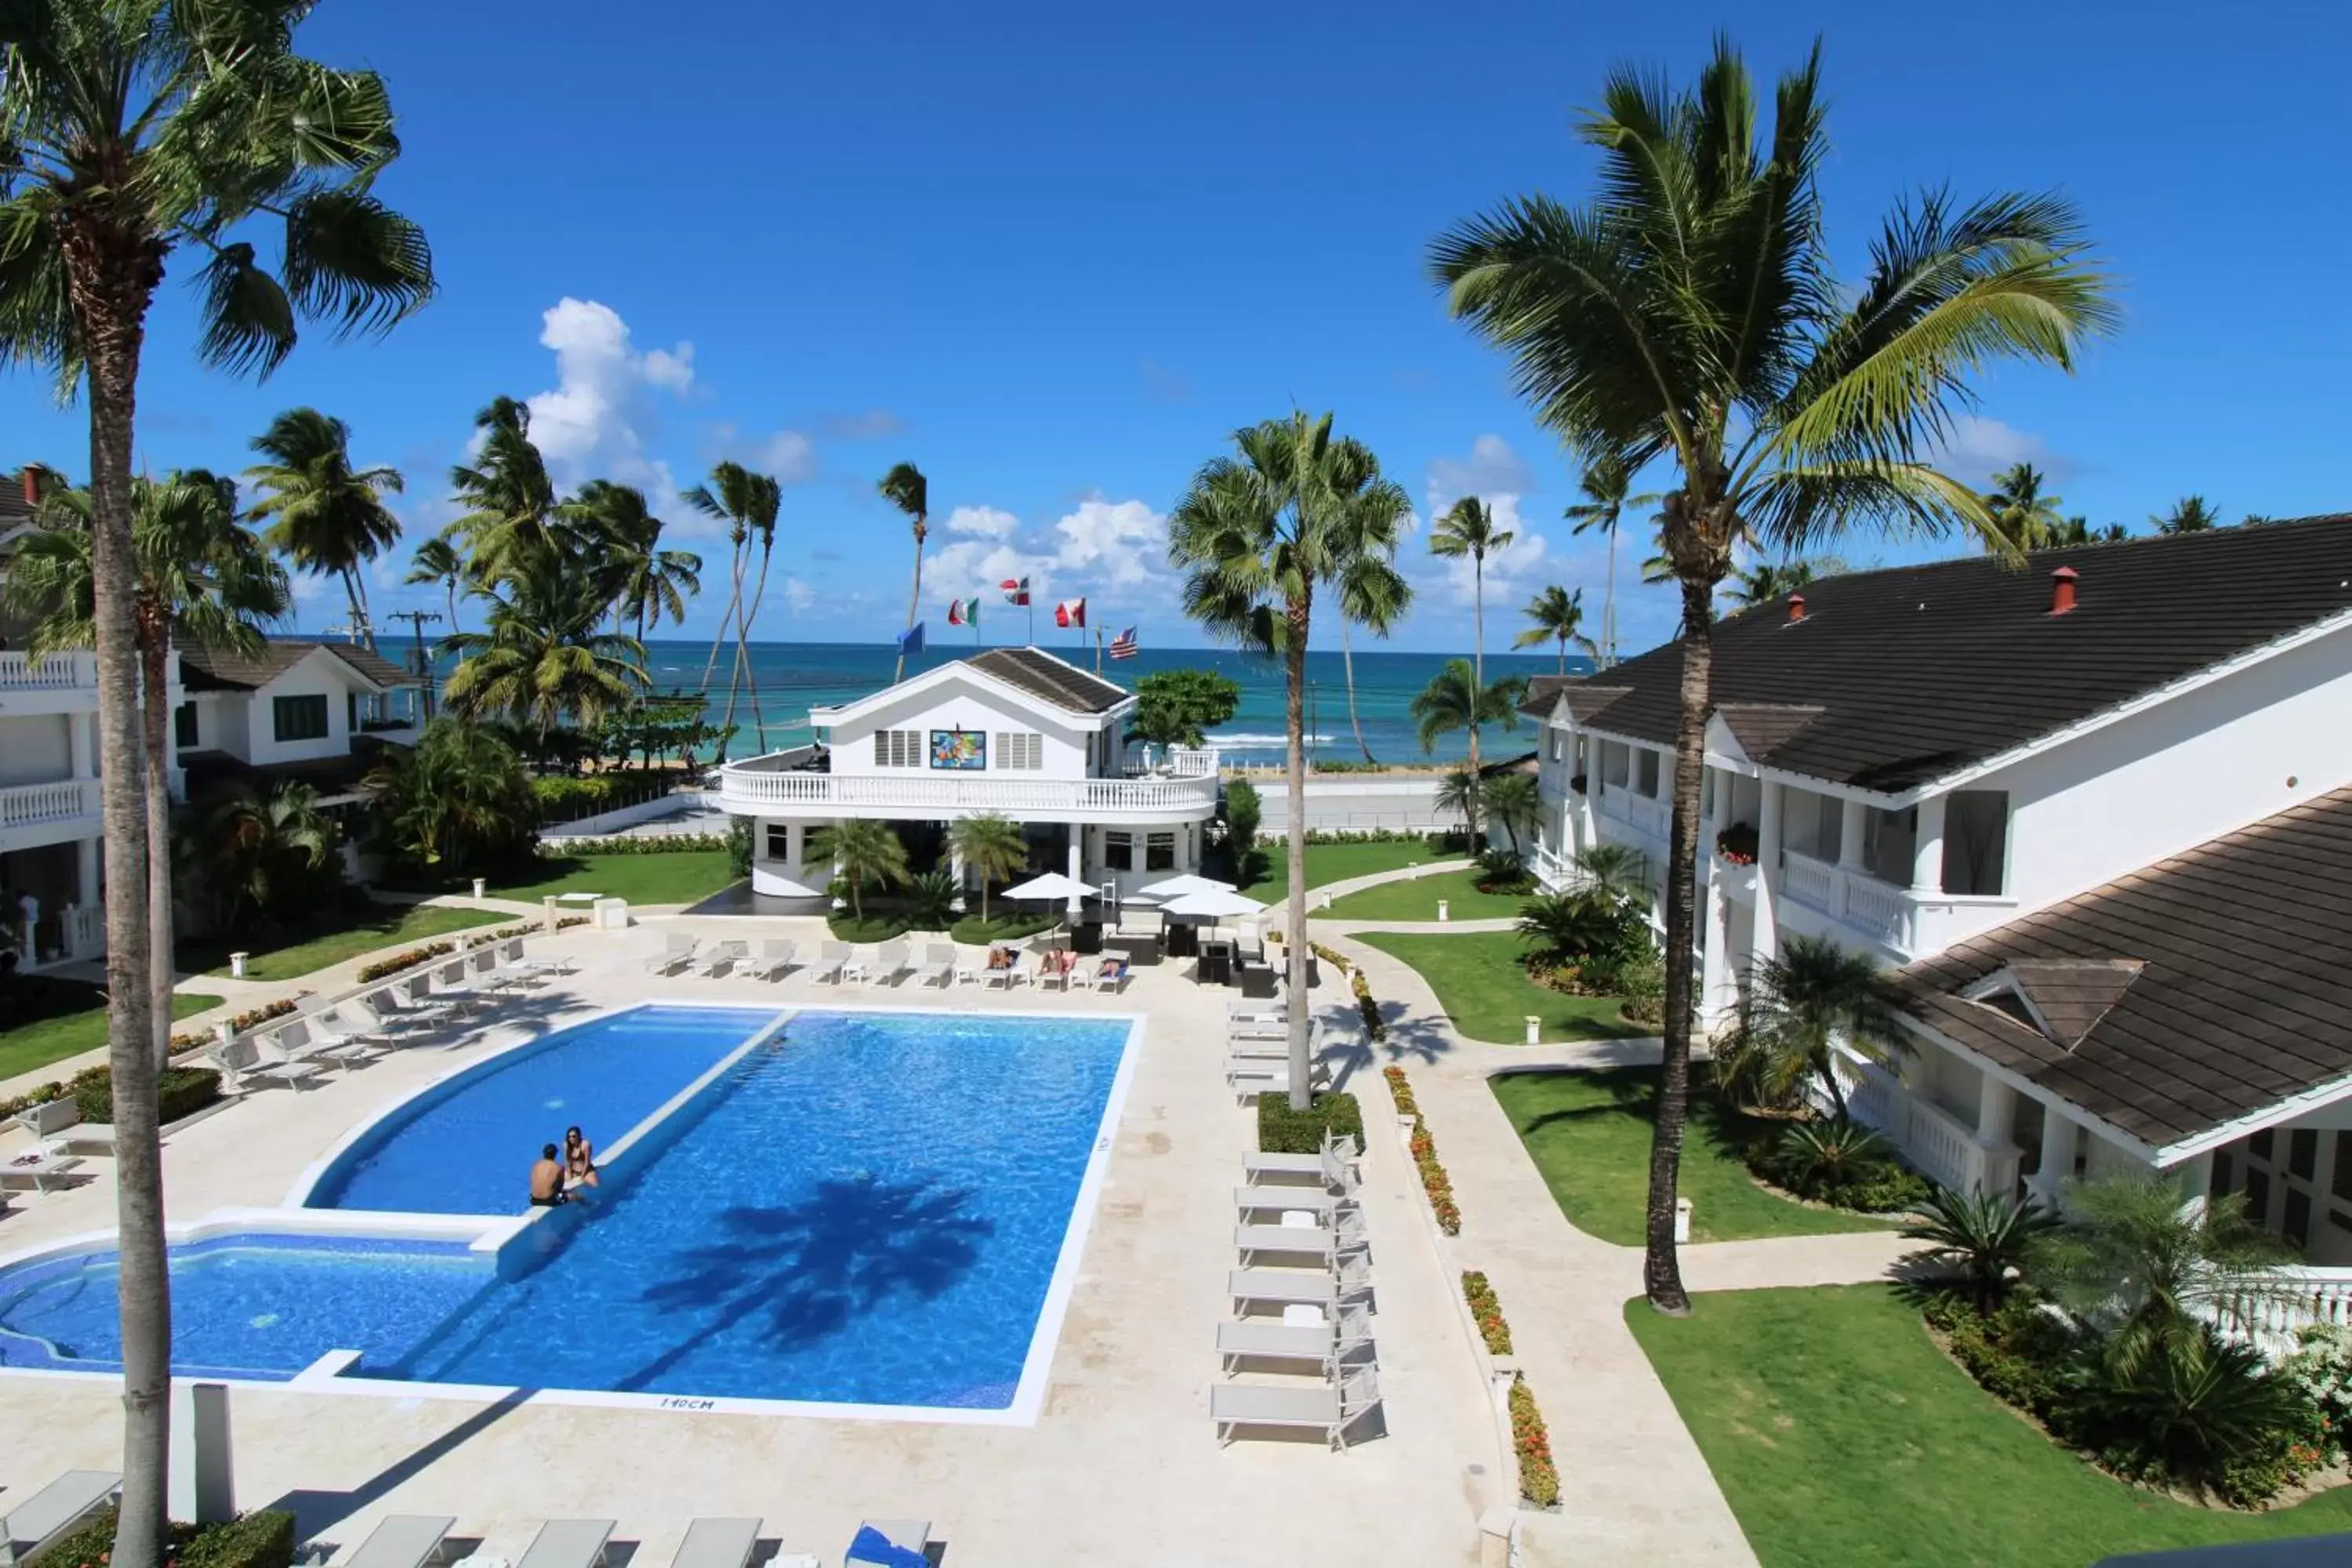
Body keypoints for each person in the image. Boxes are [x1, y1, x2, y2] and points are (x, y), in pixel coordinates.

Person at [529, 1143, 568, 1207]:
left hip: (533, 1200)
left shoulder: (536, 1165)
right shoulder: (559, 1167)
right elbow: (560, 1187)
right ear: (555, 1154)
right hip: (548, 1201)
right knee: (575, 1196)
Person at [564, 1124, 599, 1189]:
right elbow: (567, 1161)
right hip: (573, 1172)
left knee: (595, 1185)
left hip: (586, 1171)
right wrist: (570, 1175)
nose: (571, 1139)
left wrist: (582, 1176)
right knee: (561, 1183)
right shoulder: (566, 1145)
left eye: (574, 1136)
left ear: (579, 1136)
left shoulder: (585, 1145)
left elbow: (587, 1162)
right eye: (569, 1137)